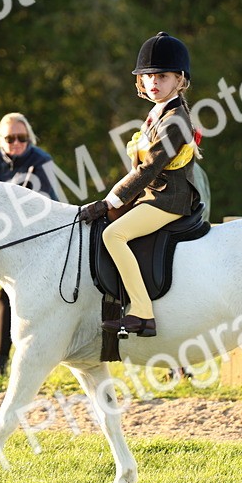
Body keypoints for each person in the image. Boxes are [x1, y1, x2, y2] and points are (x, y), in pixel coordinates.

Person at [78, 32, 201, 338]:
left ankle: (143, 312)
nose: (152, 82)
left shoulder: (176, 119)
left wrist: (111, 201)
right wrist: (111, 200)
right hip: (152, 195)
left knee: (114, 235)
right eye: (147, 77)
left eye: (161, 76)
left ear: (179, 79)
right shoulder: (156, 113)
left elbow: (148, 170)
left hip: (169, 199)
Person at [0, 112, 58, 374]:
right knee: (5, 297)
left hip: (40, 240)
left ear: (30, 138)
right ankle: (1, 359)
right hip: (7, 245)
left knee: (16, 297)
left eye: (22, 138)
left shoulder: (42, 160)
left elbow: (46, 207)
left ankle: (15, 360)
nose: (16, 143)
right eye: (10, 138)